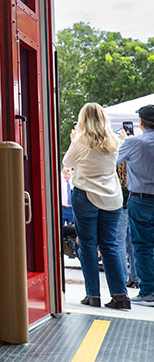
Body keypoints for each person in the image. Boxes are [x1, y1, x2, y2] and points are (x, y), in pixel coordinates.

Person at [62, 103, 130, 309]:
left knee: (88, 245)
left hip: (86, 196)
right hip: (111, 198)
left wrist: (74, 141)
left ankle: (93, 295)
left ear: (83, 120)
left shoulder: (81, 141)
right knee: (109, 245)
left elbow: (67, 163)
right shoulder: (114, 141)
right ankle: (120, 295)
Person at [119, 104, 154, 306]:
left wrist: (123, 142)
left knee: (141, 246)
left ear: (141, 123)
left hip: (140, 199)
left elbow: (114, 161)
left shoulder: (133, 142)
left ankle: (148, 290)